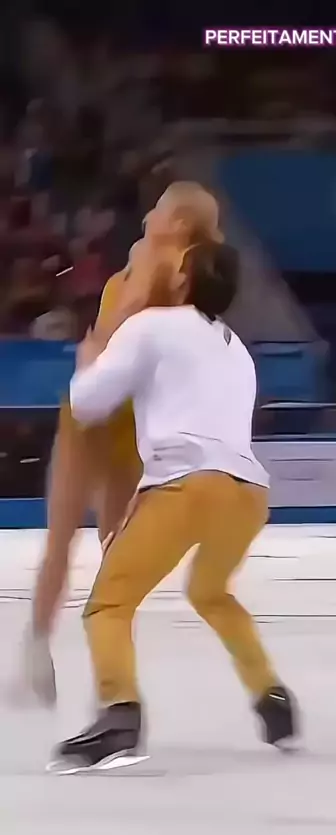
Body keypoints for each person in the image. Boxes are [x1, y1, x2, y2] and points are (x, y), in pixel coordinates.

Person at [48, 236, 298, 773]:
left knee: (109, 606)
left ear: (183, 280)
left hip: (187, 483)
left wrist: (89, 361)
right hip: (247, 492)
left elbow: (89, 403)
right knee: (211, 593)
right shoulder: (238, 350)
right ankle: (271, 695)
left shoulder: (153, 326)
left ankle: (119, 712)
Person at [18, 183, 223, 706]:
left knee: (64, 538)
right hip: (128, 420)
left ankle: (39, 652)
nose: (149, 214)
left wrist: (93, 350)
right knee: (115, 550)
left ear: (179, 223)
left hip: (98, 412)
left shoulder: (165, 265)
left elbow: (118, 326)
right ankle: (107, 676)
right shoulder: (173, 268)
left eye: (159, 208)